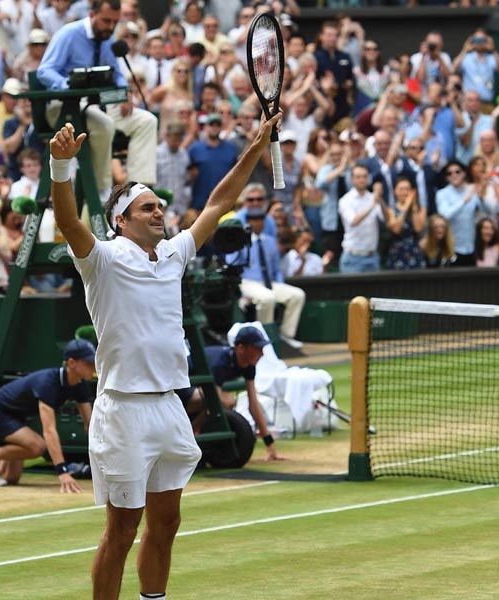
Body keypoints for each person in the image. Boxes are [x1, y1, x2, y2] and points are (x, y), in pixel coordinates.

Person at [48, 109, 279, 599]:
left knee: (168, 523)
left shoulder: (173, 254)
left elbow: (219, 202)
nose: (160, 213)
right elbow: (67, 220)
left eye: (160, 207)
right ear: (120, 221)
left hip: (170, 406)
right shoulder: (103, 259)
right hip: (123, 411)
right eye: (147, 208)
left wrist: (258, 143)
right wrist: (61, 167)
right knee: (122, 530)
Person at [37, 0, 159, 198]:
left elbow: (117, 73)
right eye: (106, 21)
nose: (110, 27)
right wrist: (68, 85)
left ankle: (139, 192)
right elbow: (45, 71)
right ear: (92, 15)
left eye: (114, 22)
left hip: (96, 106)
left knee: (146, 121)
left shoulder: (107, 39)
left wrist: (124, 91)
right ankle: (103, 191)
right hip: (64, 107)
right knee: (104, 125)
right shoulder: (69, 33)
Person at [0, 339, 97, 489]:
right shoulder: (48, 383)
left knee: (9, 477)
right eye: (88, 363)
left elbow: (90, 426)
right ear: (72, 363)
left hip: (14, 417)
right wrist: (62, 472)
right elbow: (49, 431)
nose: (93, 367)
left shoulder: (80, 386)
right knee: (37, 446)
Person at [178, 326, 285, 460]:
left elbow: (253, 405)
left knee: (224, 402)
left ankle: (190, 438)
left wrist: (269, 444)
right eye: (257, 348)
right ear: (241, 348)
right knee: (224, 401)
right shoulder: (219, 362)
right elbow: (214, 399)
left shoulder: (249, 366)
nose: (262, 353)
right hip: (178, 390)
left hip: (196, 391)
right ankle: (188, 438)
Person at [227, 194, 307, 350]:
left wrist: (278, 285)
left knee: (297, 295)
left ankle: (286, 335)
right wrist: (241, 292)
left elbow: (276, 269)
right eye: (254, 220)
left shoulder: (270, 242)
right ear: (248, 222)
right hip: (247, 282)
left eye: (260, 220)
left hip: (269, 282)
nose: (257, 223)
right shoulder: (240, 241)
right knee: (267, 298)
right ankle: (265, 338)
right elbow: (232, 265)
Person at [338, 166, 389, 273]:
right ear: (352, 179)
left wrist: (380, 199)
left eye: (365, 176)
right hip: (352, 257)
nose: (362, 179)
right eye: (358, 177)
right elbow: (354, 221)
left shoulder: (373, 197)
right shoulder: (346, 200)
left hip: (372, 256)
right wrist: (373, 205)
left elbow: (387, 219)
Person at [436, 160, 480, 266]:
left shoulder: (472, 191)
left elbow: (485, 211)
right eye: (449, 173)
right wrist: (464, 201)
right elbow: (445, 215)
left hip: (471, 248)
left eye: (457, 172)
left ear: (464, 173)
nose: (454, 175)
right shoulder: (442, 194)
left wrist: (482, 195)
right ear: (447, 177)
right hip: (452, 248)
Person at [384, 176, 426, 271]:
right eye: (401, 189)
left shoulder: (419, 208)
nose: (404, 192)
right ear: (395, 191)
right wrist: (406, 207)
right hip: (397, 252)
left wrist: (413, 205)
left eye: (407, 189)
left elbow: (418, 228)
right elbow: (396, 229)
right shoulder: (391, 210)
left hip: (415, 251)